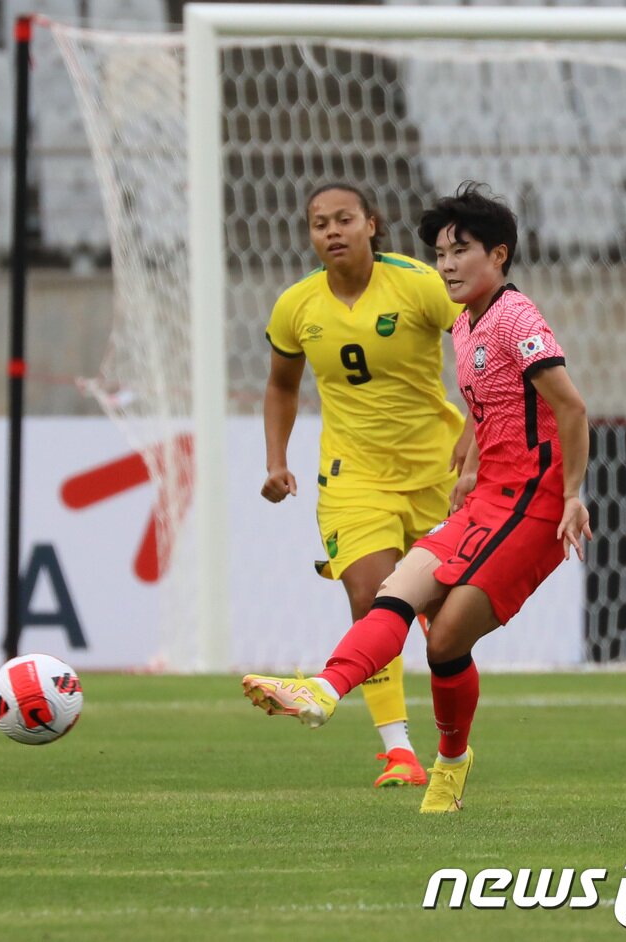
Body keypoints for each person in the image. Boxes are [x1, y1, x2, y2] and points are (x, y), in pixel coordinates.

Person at [243, 183, 591, 814]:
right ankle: (324, 692)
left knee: (444, 638)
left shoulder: (514, 317)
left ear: (500, 256)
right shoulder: (464, 325)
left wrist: (573, 495)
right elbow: (495, 405)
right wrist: (475, 457)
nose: (449, 265)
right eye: (441, 254)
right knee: (391, 594)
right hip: (473, 495)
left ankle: (452, 760)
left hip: (532, 505)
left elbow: (569, 405)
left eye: (461, 252)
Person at [261, 182, 468, 789]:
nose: (332, 231)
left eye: (344, 219)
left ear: (372, 225)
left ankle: (453, 749)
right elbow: (280, 385)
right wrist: (277, 459)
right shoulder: (296, 306)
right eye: (319, 222)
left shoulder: (418, 284)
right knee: (371, 594)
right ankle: (398, 751)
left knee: (443, 621)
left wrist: (479, 432)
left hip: (438, 476)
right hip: (354, 479)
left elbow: (482, 345)